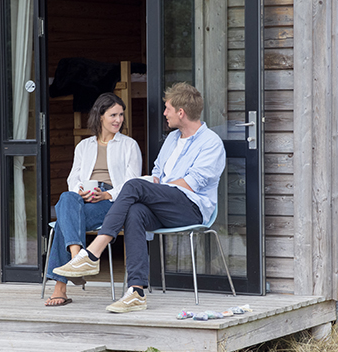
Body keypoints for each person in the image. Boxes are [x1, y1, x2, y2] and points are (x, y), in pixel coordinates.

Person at [53, 83, 225, 313]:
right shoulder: (172, 139)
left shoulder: (211, 143)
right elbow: (157, 173)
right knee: (134, 212)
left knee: (134, 185)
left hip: (190, 207)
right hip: (163, 205)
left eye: (168, 109)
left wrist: (150, 185)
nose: (164, 113)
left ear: (181, 112)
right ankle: (136, 291)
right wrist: (152, 181)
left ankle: (93, 252)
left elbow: (192, 183)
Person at [44, 92, 142, 306]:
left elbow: (132, 183)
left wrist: (107, 194)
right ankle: (78, 257)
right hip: (85, 199)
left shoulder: (129, 145)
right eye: (113, 115)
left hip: (113, 202)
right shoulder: (84, 146)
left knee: (64, 220)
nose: (119, 120)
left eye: (121, 115)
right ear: (100, 116)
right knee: (67, 198)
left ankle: (62, 285)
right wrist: (81, 192)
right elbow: (73, 178)